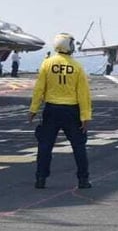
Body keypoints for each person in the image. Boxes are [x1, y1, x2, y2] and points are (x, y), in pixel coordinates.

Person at [28, 33, 92, 189]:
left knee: (45, 145)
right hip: (71, 111)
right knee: (79, 146)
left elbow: (39, 89)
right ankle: (83, 180)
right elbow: (83, 94)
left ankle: (40, 178)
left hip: (51, 110)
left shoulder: (47, 64)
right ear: (67, 45)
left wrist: (33, 109)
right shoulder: (77, 66)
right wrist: (85, 116)